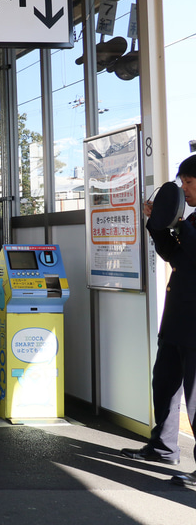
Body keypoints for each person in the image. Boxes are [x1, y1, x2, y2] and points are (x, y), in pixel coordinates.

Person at [120, 155, 196, 487]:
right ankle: (163, 447)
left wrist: (176, 221)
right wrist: (158, 225)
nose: (184, 189)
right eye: (182, 182)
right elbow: (175, 256)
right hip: (179, 316)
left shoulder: (189, 222)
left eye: (189, 182)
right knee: (164, 383)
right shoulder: (192, 219)